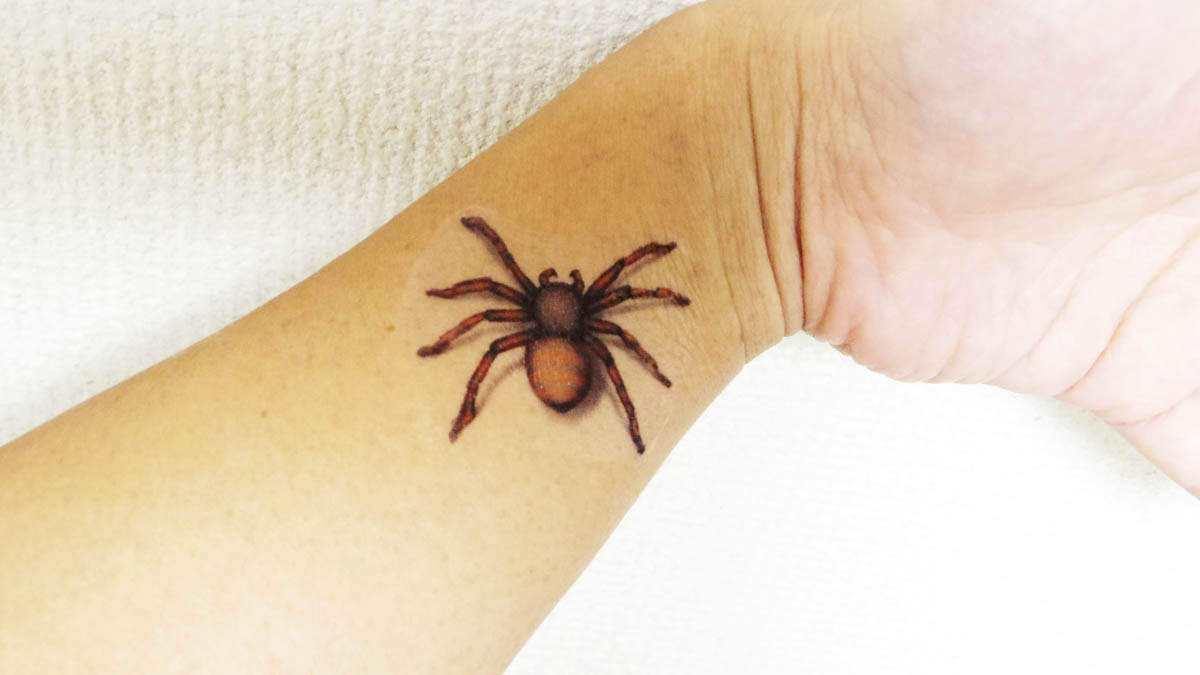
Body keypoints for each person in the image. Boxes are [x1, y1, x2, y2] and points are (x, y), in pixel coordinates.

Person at [2, 0, 1196, 670]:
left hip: (748, 208)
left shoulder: (527, 312)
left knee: (517, 338)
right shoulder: (572, 316)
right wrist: (774, 156)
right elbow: (590, 309)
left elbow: (518, 308)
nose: (569, 289)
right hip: (724, 229)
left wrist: (784, 152)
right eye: (567, 291)